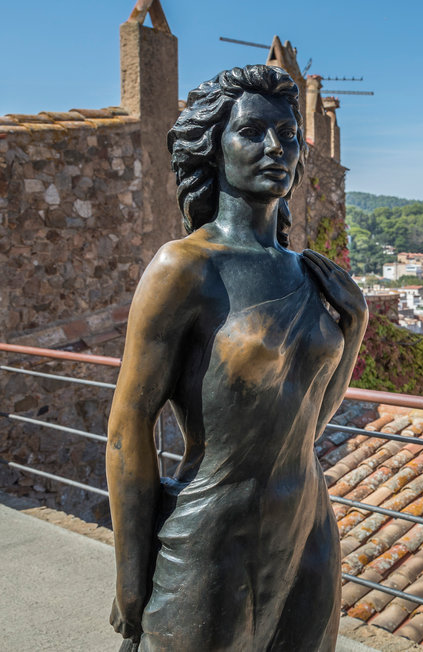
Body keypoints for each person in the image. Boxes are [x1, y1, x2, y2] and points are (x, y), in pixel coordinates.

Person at [106, 65, 367, 651]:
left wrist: (354, 328)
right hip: (214, 538)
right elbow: (128, 430)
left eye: (289, 134)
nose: (276, 147)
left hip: (308, 531)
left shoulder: (307, 273)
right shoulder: (185, 268)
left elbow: (307, 421)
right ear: (213, 146)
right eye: (252, 132)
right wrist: (131, 573)